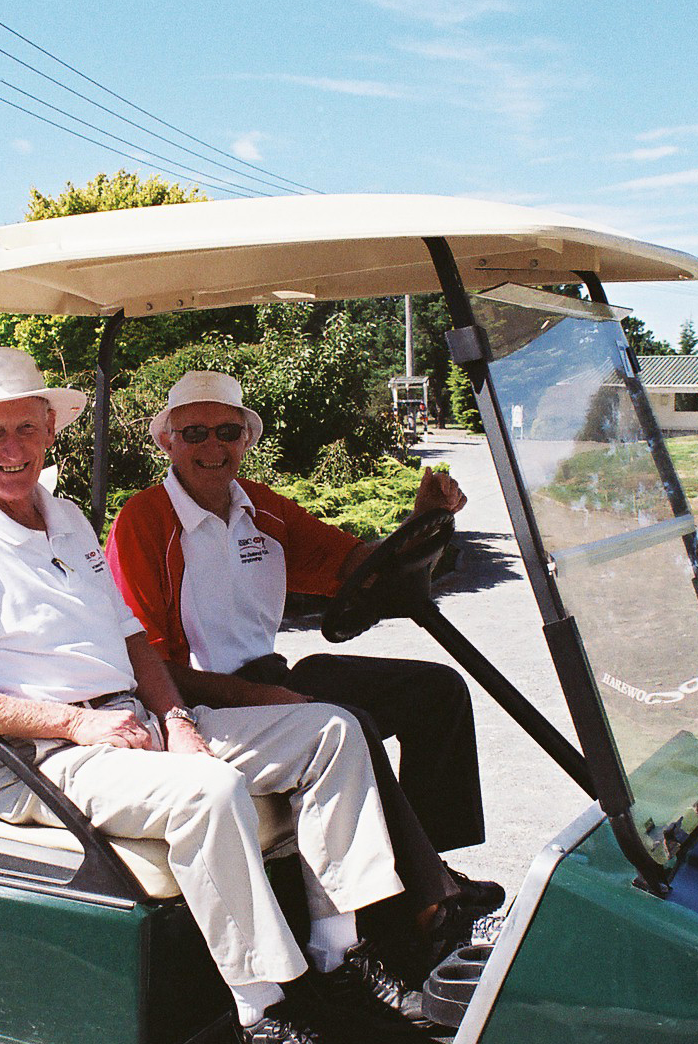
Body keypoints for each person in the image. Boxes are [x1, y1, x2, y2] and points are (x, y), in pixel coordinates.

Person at [0, 349, 437, 1044]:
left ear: (50, 430)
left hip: (134, 723)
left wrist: (178, 717)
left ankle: (337, 954)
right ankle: (263, 1017)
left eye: (26, 428)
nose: (13, 449)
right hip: (41, 755)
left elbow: (132, 637)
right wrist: (76, 723)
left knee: (333, 731)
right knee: (209, 793)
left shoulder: (66, 518)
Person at [104, 371, 501, 928]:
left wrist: (422, 521)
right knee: (350, 722)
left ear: (246, 439)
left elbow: (355, 564)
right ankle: (418, 908)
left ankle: (429, 867)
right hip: (196, 702)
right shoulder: (143, 522)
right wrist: (260, 696)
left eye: (227, 431)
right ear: (168, 442)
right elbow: (149, 662)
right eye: (194, 433)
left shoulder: (261, 508)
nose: (212, 446)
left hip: (269, 677)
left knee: (437, 690)